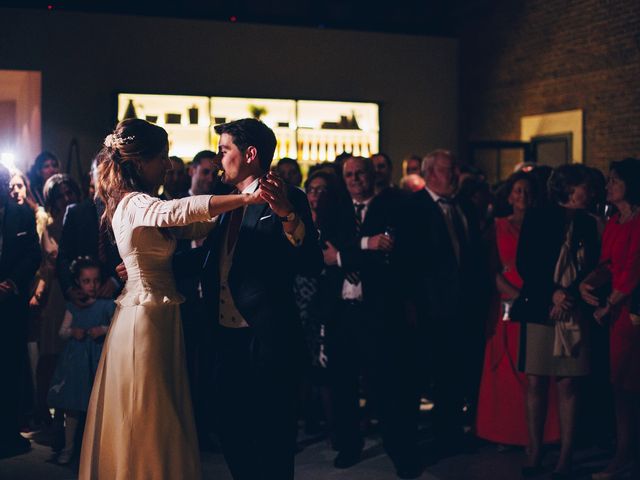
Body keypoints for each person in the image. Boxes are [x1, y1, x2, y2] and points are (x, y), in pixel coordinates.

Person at [78, 118, 265, 479]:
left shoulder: (141, 201)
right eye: (161, 157)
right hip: (145, 319)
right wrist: (244, 197)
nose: (167, 164)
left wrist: (234, 208)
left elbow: (191, 225)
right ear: (138, 161)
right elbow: (175, 212)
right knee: (149, 411)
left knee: (162, 410)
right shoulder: (134, 203)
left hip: (159, 314)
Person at [198, 118, 322, 480]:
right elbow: (212, 257)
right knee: (230, 429)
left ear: (250, 154)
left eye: (225, 151)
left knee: (273, 438)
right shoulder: (228, 202)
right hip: (225, 336)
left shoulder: (287, 197)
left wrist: (285, 213)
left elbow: (311, 262)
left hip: (267, 337)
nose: (219, 159)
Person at [322, 156, 421, 478]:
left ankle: (400, 450)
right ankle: (350, 445)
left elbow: (390, 254)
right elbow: (322, 253)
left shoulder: (393, 207)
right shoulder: (335, 210)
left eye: (360, 173)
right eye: (348, 174)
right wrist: (365, 245)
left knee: (388, 386)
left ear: (372, 176)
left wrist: (343, 256)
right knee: (343, 386)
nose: (354, 179)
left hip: (378, 312)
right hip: (341, 313)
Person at [396, 149, 489, 459]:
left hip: (461, 308)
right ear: (431, 173)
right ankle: (408, 448)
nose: (456, 176)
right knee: (418, 378)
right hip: (427, 309)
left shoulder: (463, 205)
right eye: (450, 170)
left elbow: (473, 257)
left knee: (452, 376)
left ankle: (448, 436)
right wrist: (410, 305)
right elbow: (405, 263)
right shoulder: (412, 207)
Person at [515, 164, 599, 478]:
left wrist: (570, 295)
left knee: (569, 383)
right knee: (536, 380)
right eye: (584, 187)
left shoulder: (589, 224)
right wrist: (552, 294)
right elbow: (527, 262)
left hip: (574, 311)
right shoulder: (538, 217)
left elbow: (595, 266)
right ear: (568, 188)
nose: (588, 192)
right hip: (541, 308)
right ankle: (535, 450)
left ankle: (566, 456)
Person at [475, 172, 560, 447]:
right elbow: (491, 269)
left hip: (538, 300)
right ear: (509, 195)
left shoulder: (543, 226)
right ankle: (504, 433)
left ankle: (539, 435)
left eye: (526, 190)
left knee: (535, 370)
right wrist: (515, 295)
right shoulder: (497, 226)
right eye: (517, 191)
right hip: (507, 303)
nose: (521, 195)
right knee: (507, 367)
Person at [580, 158, 640, 480]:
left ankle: (626, 456)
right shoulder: (616, 221)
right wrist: (587, 282)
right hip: (618, 312)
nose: (608, 186)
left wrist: (608, 305)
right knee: (620, 385)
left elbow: (633, 269)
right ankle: (623, 453)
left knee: (632, 383)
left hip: (632, 312)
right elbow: (608, 263)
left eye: (614, 180)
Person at [47, 256, 115, 465]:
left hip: (97, 361)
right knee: (73, 406)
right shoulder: (73, 307)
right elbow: (62, 331)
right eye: (86, 281)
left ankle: (97, 452)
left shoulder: (106, 305)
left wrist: (102, 329)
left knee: (97, 407)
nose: (92, 286)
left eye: (95, 280)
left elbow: (114, 327)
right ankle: (69, 448)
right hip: (76, 364)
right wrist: (73, 331)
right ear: (78, 282)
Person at [0, 164, 41, 458]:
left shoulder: (22, 214)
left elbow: (32, 254)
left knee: (12, 367)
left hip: (11, 304)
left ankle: (9, 433)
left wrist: (12, 282)